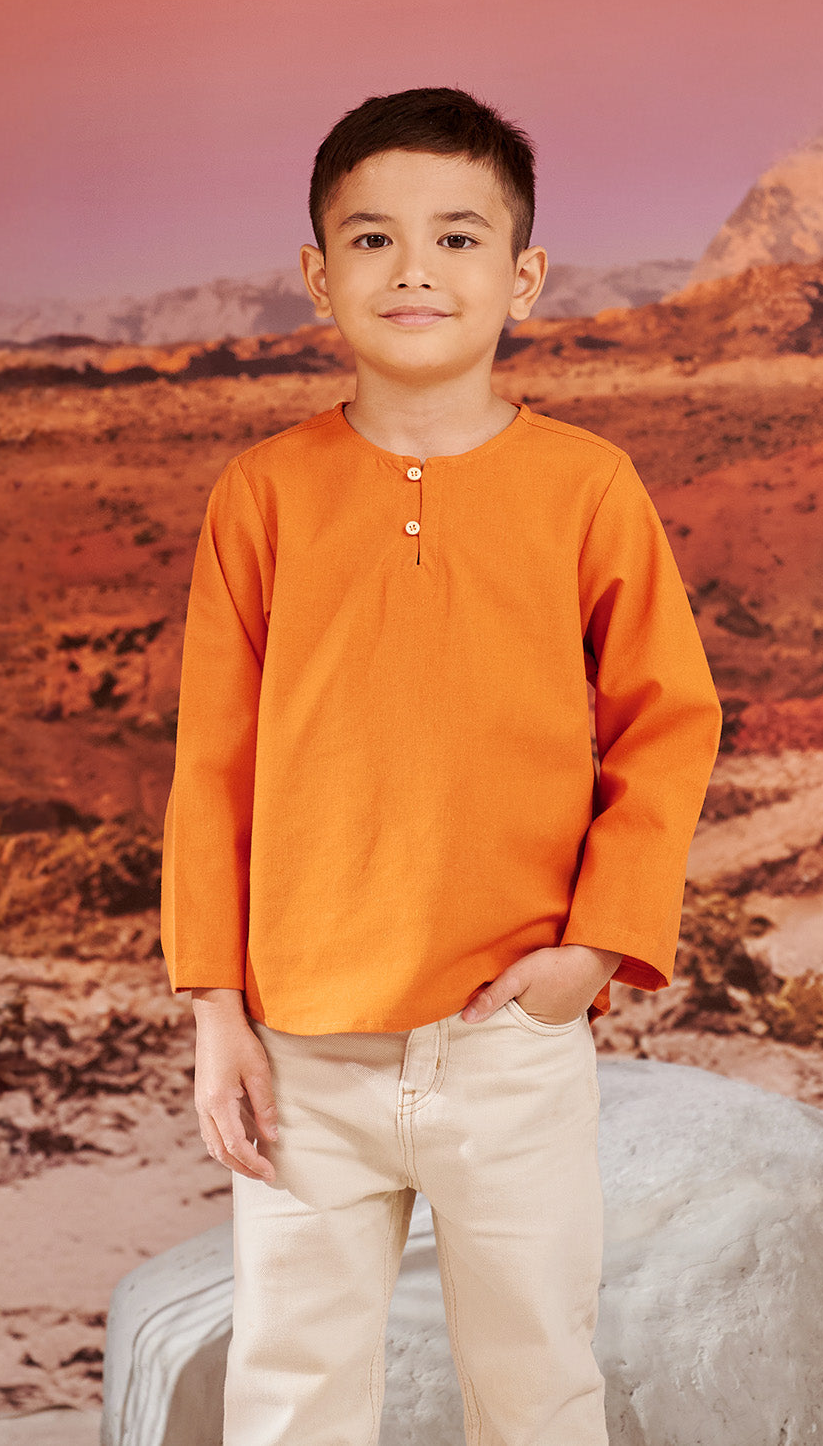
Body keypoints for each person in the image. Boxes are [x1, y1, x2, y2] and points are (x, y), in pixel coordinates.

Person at [160, 85, 722, 1446]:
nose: (414, 267)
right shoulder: (263, 495)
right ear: (316, 275)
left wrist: (591, 954)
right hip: (304, 1051)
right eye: (372, 238)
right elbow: (211, 766)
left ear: (522, 276)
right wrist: (217, 1012)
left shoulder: (588, 488)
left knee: (536, 1389)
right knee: (291, 1396)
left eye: (458, 238)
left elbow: (667, 722)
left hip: (506, 1047)